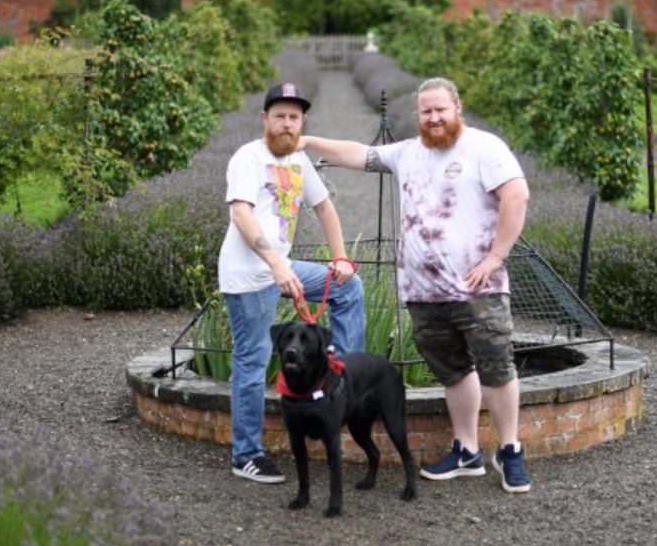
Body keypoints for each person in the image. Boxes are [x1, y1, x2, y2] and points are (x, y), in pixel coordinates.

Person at [300, 77, 531, 493]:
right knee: (454, 372)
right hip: (424, 292)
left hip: (478, 289)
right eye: (426, 111)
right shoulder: (408, 152)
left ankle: (510, 451)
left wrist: (495, 257)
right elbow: (359, 154)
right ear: (418, 114)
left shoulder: (484, 147)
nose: (434, 117)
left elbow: (517, 196)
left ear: (457, 107)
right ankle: (466, 451)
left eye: (441, 109)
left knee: (496, 367)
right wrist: (309, 140)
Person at [219, 82, 365, 484]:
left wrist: (340, 259)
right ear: (265, 118)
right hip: (249, 276)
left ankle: (342, 382)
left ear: (302, 123)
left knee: (348, 288)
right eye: (280, 116)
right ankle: (246, 454)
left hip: (280, 266)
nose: (287, 124)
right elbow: (242, 216)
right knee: (253, 359)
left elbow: (324, 207)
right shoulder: (248, 157)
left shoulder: (299, 161)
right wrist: (275, 265)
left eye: (295, 117)